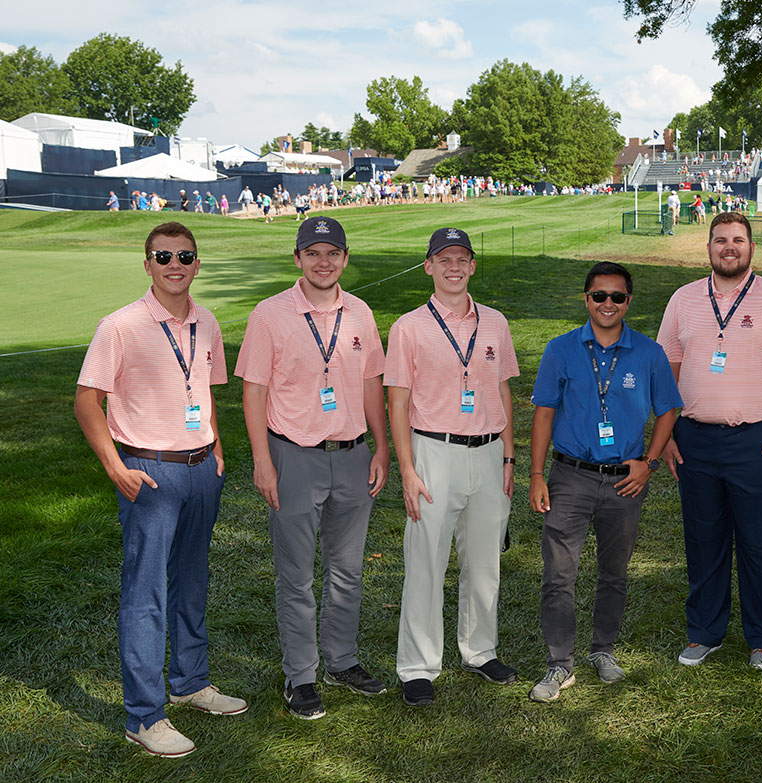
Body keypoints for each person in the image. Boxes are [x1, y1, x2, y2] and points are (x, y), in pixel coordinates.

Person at [75, 221, 247, 758]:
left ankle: (191, 681)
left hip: (200, 469)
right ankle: (144, 716)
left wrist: (215, 445)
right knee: (146, 592)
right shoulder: (120, 325)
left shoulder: (208, 322)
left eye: (185, 256)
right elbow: (86, 401)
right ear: (147, 263)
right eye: (164, 255)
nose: (175, 264)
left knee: (192, 579)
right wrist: (114, 467)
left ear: (197, 263)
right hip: (148, 472)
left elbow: (203, 390)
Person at [236, 216, 390, 720]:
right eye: (313, 253)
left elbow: (372, 384)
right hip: (294, 456)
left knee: (347, 571)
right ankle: (301, 675)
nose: (323, 262)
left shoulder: (361, 313)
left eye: (332, 253)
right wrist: (262, 459)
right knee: (296, 575)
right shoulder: (270, 314)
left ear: (345, 258)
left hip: (352, 455)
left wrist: (381, 447)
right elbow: (253, 389)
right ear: (298, 258)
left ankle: (341, 661)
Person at [657, 212, 762, 670]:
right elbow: (668, 369)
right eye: (721, 240)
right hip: (696, 439)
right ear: (708, 247)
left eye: (738, 240)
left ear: (751, 248)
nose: (730, 247)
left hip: (758, 440)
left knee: (759, 542)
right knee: (704, 540)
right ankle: (705, 632)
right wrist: (664, 436)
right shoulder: (683, 300)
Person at [527, 262, 683, 702]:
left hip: (623, 482)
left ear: (629, 302)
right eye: (600, 296)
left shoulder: (648, 354)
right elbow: (543, 414)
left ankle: (603, 650)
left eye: (617, 297)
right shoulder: (561, 350)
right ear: (586, 299)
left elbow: (668, 409)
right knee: (559, 575)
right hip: (569, 476)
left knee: (614, 573)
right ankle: (559, 664)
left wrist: (648, 463)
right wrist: (537, 475)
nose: (608, 304)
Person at [386, 228, 520, 707]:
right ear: (429, 266)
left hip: (487, 452)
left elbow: (503, 389)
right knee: (425, 562)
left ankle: (480, 650)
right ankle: (418, 665)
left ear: (473, 266)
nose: (454, 267)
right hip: (433, 451)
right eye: (444, 259)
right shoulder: (409, 327)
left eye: (462, 258)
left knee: (484, 563)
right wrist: (407, 469)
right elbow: (396, 403)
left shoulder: (496, 323)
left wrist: (508, 455)